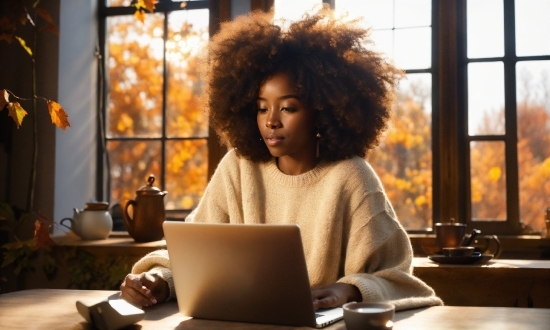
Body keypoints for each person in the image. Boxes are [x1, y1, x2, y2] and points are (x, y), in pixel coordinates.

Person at [120, 6, 443, 311]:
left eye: (287, 107)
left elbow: (399, 279)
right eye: (262, 108)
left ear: (321, 111)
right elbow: (192, 257)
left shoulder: (351, 177)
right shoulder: (238, 168)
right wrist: (157, 281)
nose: (271, 121)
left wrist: (351, 289)